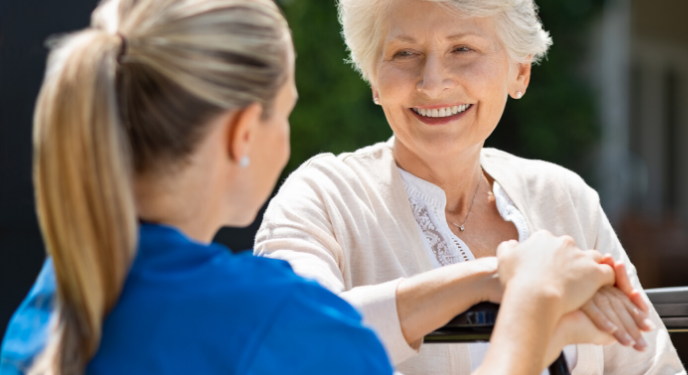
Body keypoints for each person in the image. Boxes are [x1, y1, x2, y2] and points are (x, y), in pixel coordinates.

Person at [0, 0, 622, 374]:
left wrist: (488, 279)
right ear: (246, 132)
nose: (433, 81)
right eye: (287, 110)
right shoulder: (276, 319)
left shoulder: (60, 296)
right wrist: (530, 312)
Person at [254, 0, 686, 374]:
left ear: (520, 72)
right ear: (373, 80)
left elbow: (652, 366)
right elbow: (291, 340)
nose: (432, 82)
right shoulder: (322, 198)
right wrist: (502, 279)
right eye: (404, 53)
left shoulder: (564, 197)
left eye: (462, 49)